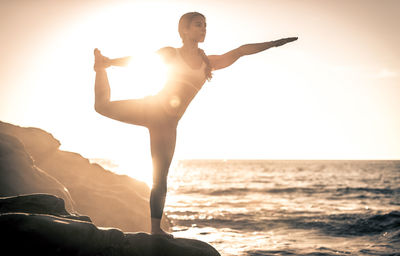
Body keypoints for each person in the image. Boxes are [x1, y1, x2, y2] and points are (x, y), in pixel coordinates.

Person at [93, 11, 297, 238]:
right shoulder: (171, 54)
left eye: (205, 26)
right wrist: (109, 63)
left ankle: (155, 230)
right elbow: (141, 61)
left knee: (160, 177)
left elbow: (240, 51)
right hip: (149, 108)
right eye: (198, 25)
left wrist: (273, 44)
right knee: (101, 106)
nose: (203, 29)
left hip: (168, 126)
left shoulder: (208, 63)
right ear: (184, 30)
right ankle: (99, 67)